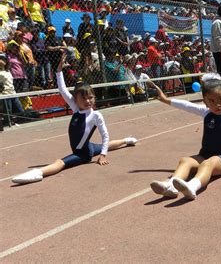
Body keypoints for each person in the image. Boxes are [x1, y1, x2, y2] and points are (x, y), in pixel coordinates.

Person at [12, 52, 138, 184]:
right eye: (83, 98)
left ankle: (39, 173)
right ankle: (126, 140)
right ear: (76, 100)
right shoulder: (76, 108)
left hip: (83, 154)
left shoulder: (96, 115)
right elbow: (62, 90)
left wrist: (103, 156)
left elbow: (105, 135)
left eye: (90, 98)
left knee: (60, 162)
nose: (88, 101)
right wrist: (59, 70)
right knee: (102, 146)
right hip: (87, 145)